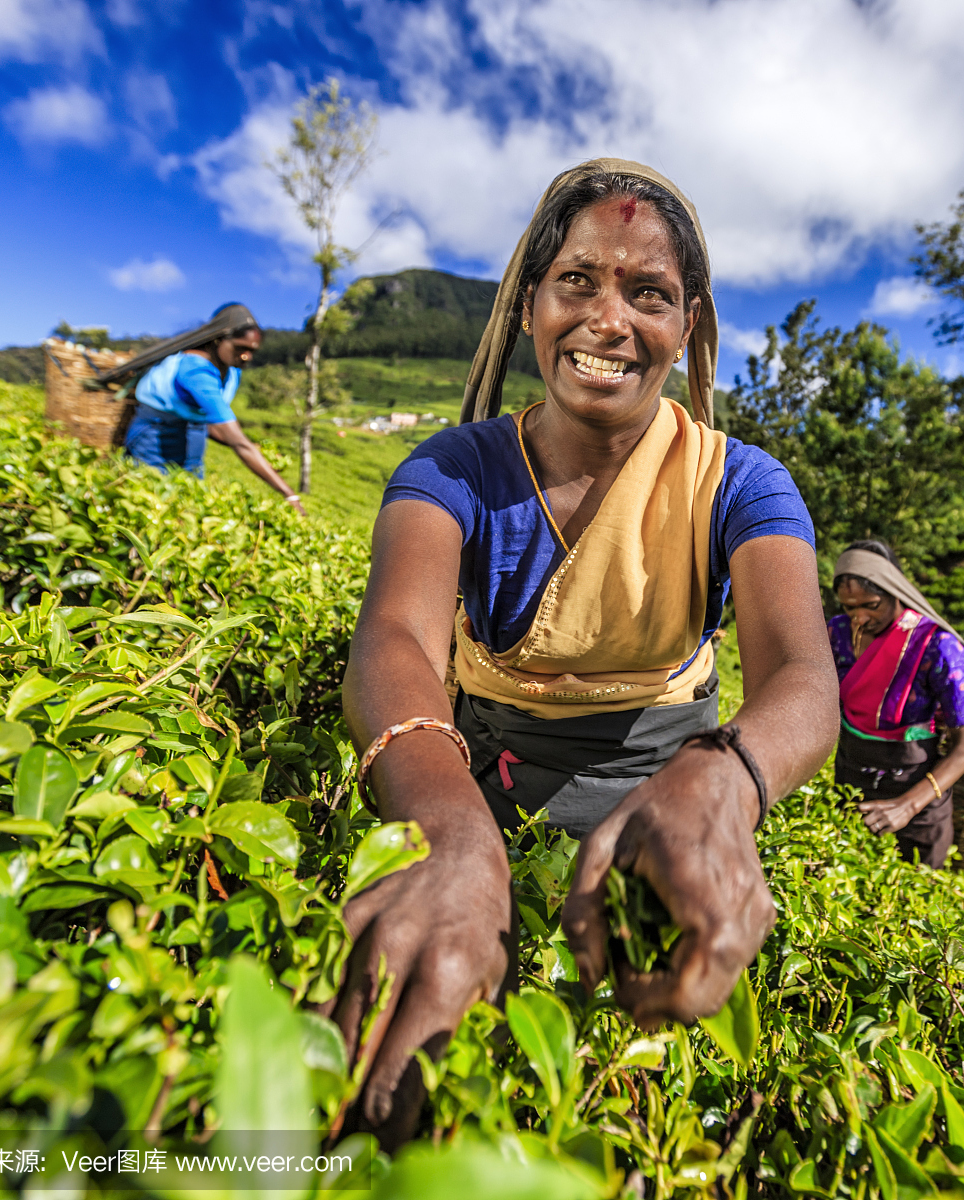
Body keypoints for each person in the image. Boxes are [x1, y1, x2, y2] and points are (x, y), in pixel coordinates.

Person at [334, 159, 839, 1149]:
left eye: (647, 293)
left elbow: (801, 677)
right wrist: (451, 829)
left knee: (644, 1069)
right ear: (531, 306)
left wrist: (723, 784)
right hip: (489, 763)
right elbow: (395, 637)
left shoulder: (740, 482)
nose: (608, 322)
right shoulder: (453, 469)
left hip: (670, 777)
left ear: (684, 324)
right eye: (578, 282)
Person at [829, 540, 964, 868]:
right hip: (850, 782)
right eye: (849, 608)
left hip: (917, 795)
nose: (860, 618)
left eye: (871, 605)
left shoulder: (936, 646)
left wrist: (907, 806)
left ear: (894, 589)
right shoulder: (837, 633)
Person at [119, 303, 306, 514]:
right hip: (154, 440)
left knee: (187, 509)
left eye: (252, 351)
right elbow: (237, 441)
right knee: (148, 506)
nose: (247, 357)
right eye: (240, 348)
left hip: (192, 445)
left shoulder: (231, 369)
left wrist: (254, 449)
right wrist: (289, 493)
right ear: (219, 339)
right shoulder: (195, 370)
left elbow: (213, 426)